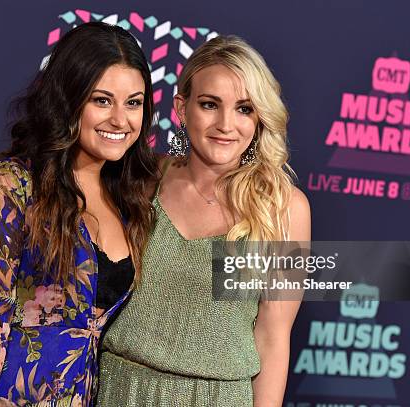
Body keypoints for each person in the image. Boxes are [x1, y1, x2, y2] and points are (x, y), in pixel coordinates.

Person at [0, 22, 157, 407]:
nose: (120, 120)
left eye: (134, 103)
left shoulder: (133, 200)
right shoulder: (11, 187)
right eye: (102, 100)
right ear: (68, 99)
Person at [97, 35, 311, 407]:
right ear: (182, 107)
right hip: (118, 388)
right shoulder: (142, 179)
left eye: (244, 109)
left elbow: (274, 339)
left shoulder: (285, 209)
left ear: (260, 116)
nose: (226, 124)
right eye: (210, 105)